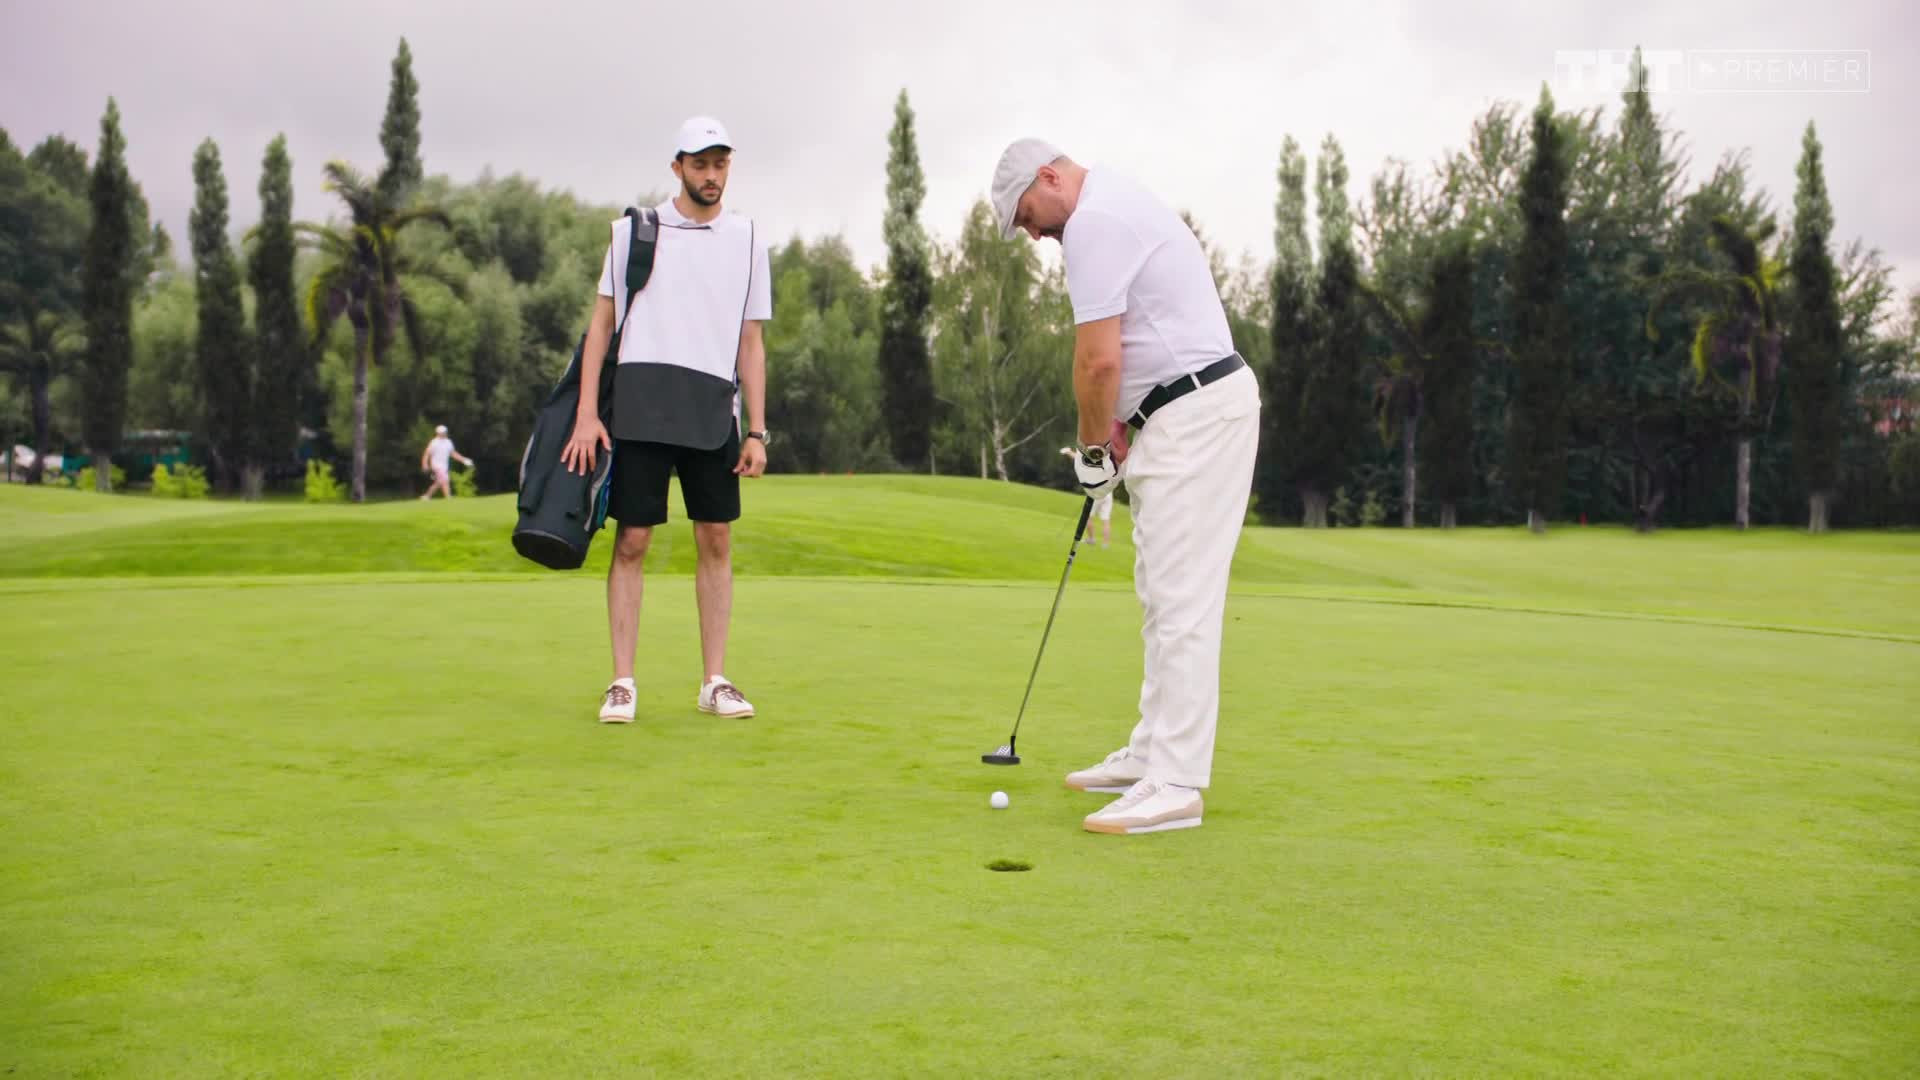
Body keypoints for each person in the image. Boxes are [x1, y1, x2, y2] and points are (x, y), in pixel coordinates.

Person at [994, 138, 1261, 836]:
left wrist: (1092, 451)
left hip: (1197, 414)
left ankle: (1176, 782)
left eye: (1028, 216)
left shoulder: (1094, 222)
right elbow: (1123, 356)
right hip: (1176, 414)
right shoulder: (1108, 204)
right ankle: (1152, 750)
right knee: (1160, 591)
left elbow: (1098, 361)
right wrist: (1116, 432)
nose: (1033, 234)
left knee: (1183, 599)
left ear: (1048, 178)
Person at [561, 116, 773, 725]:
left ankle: (715, 681)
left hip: (711, 408)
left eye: (720, 164)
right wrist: (585, 414)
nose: (711, 175)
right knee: (632, 540)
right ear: (677, 167)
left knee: (716, 537)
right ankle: (622, 682)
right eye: (699, 164)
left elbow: (751, 341)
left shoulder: (748, 239)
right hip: (641, 404)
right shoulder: (633, 232)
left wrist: (757, 431)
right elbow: (601, 325)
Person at [1059, 446, 1115, 547]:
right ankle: (1105, 544)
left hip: (1096, 492)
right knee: (1106, 519)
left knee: (1088, 516)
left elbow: (1079, 460)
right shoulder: (1109, 463)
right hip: (1108, 493)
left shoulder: (1094, 463)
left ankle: (1091, 539)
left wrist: (1068, 452)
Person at [419, 425, 473, 500]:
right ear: (437, 433)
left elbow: (453, 453)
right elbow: (427, 454)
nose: (443, 434)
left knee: (439, 482)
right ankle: (448, 497)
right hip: (436, 465)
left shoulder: (448, 442)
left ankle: (426, 496)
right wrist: (425, 464)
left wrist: (464, 460)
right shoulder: (434, 442)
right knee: (445, 479)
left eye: (444, 432)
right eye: (441, 432)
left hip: (444, 465)